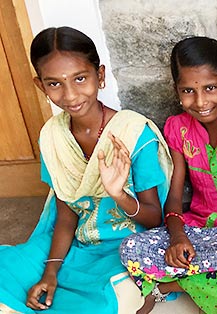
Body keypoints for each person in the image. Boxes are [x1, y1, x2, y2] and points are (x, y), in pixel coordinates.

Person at [0, 26, 172, 313]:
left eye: (80, 79)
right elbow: (66, 213)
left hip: (128, 248)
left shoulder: (132, 132)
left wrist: (118, 194)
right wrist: (51, 272)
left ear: (100, 76)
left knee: (107, 302)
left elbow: (154, 218)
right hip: (77, 244)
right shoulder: (53, 137)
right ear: (40, 85)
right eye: (54, 83)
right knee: (7, 269)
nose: (70, 95)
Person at [119, 36, 217, 314]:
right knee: (130, 247)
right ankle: (210, 282)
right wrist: (178, 236)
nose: (201, 101)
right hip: (201, 230)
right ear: (176, 91)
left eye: (211, 88)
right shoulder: (177, 127)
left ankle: (167, 286)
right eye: (189, 91)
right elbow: (176, 196)